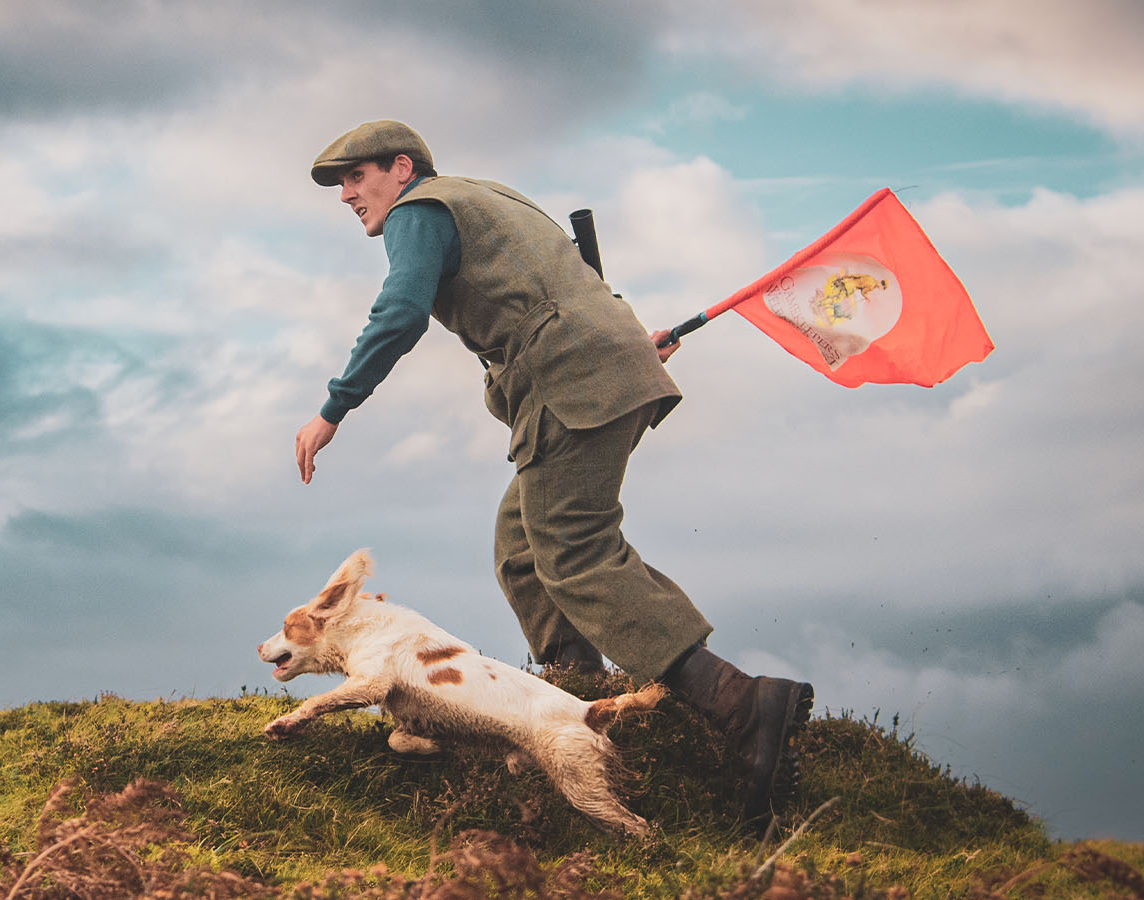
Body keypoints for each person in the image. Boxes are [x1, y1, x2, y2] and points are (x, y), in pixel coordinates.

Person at [294, 120, 814, 826]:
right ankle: (577, 703)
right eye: (342, 184)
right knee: (523, 547)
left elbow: (401, 309)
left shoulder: (419, 211)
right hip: (596, 366)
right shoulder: (489, 197)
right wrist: (624, 339)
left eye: (357, 178)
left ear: (402, 168)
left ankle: (742, 704)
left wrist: (335, 406)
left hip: (574, 380)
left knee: (572, 548)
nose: (348, 195)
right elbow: (569, 284)